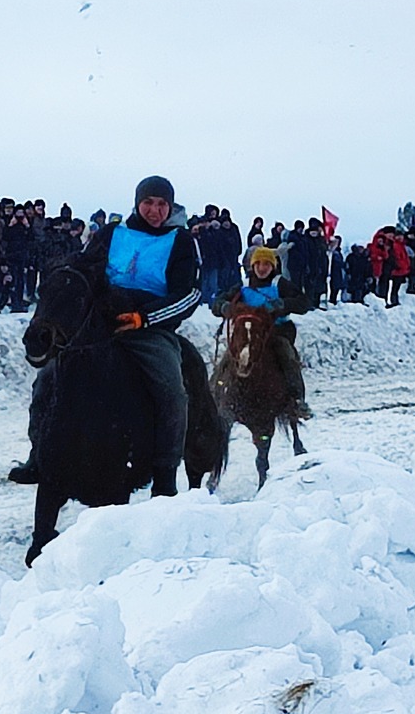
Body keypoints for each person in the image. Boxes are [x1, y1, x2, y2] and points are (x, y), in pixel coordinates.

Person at [79, 175, 200, 497]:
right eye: (148, 202)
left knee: (172, 392)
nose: (155, 210)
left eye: (162, 204)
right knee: (51, 375)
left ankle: (165, 472)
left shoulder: (180, 240)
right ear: (137, 203)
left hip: (149, 330)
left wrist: (144, 318)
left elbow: (188, 294)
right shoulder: (111, 233)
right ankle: (41, 454)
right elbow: (84, 270)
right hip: (99, 325)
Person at [213, 245, 314, 418]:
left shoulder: (279, 284)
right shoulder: (243, 286)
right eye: (258, 264)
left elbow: (303, 302)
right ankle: (214, 394)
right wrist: (224, 307)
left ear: (273, 267)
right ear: (252, 266)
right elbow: (218, 302)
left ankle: (297, 400)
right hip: (247, 333)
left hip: (276, 332)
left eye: (266, 264)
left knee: (287, 356)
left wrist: (282, 304)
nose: (262, 268)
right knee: (228, 358)